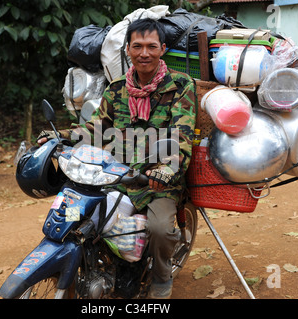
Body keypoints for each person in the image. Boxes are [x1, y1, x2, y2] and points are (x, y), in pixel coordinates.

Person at [38, 18, 197, 299]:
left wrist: (164, 170)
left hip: (155, 181)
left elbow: (181, 137)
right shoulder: (116, 89)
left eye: (151, 46)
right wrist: (59, 136)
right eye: (137, 46)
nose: (144, 53)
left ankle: (161, 277)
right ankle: (91, 264)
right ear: (128, 50)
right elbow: (96, 129)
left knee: (159, 229)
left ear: (162, 49)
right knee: (77, 215)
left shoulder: (181, 85)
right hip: (115, 175)